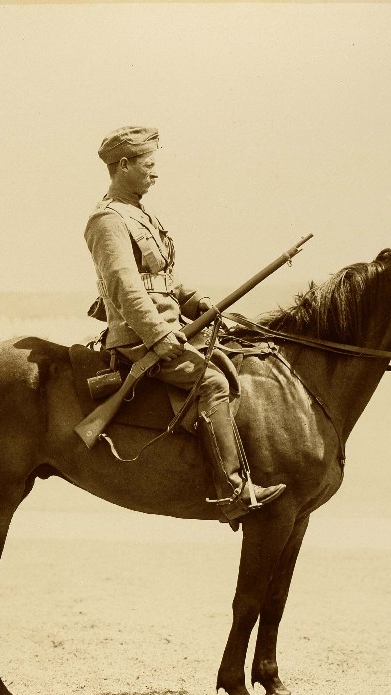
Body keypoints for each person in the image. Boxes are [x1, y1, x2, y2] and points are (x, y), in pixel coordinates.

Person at [84, 126, 285, 522]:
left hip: (173, 326)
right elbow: (126, 289)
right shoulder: (106, 220)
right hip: (139, 337)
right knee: (211, 382)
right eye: (149, 164)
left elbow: (165, 280)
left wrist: (198, 304)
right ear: (123, 165)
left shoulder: (142, 216)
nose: (155, 173)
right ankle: (232, 491)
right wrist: (159, 337)